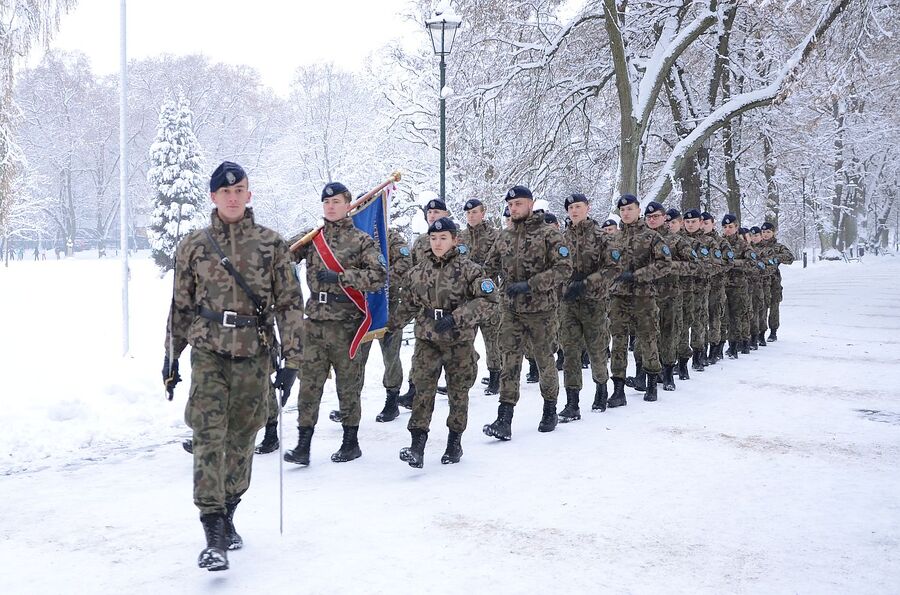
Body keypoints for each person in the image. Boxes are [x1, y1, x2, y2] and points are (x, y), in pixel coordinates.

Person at [162, 161, 304, 571]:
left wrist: (292, 359)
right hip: (208, 352)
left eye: (239, 189)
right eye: (225, 191)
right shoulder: (194, 245)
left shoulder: (271, 244)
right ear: (212, 196)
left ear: (248, 194)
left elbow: (290, 304)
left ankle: (228, 514)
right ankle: (213, 534)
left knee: (242, 440)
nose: (232, 196)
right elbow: (180, 307)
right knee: (208, 437)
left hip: (253, 355)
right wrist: (171, 357)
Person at [283, 182, 386, 466]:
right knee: (309, 386)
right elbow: (283, 254)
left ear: (348, 204)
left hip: (346, 323)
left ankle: (350, 443)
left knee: (347, 386)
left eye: (336, 201)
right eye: (326, 202)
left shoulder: (361, 240)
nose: (330, 206)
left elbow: (379, 276)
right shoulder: (312, 237)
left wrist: (342, 278)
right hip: (314, 322)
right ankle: (303, 445)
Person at [388, 217, 497, 466]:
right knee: (422, 392)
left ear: (454, 240)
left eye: (443, 238)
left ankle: (454, 443)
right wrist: (390, 325)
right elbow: (410, 304)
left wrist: (457, 317)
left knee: (458, 393)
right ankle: (417, 446)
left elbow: (490, 301)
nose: (437, 243)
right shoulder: (419, 272)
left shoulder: (470, 270)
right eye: (434, 238)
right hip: (428, 340)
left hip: (458, 342)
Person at [482, 185, 572, 440]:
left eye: (518, 204)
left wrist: (531, 285)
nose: (513, 209)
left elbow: (564, 269)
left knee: (544, 360)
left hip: (541, 311)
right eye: (510, 205)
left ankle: (550, 408)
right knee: (509, 361)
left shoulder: (548, 235)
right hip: (511, 311)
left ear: (530, 204)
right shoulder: (504, 236)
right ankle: (504, 418)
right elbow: (488, 269)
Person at [606, 195, 672, 406]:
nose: (625, 213)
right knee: (618, 341)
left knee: (647, 339)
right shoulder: (614, 239)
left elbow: (664, 264)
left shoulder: (651, 237)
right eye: (622, 210)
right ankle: (618, 388)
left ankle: (652, 382)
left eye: (629, 209)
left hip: (644, 296)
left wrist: (637, 275)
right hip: (618, 297)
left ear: (638, 210)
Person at [558, 193, 615, 418]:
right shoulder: (561, 238)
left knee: (596, 349)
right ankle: (572, 402)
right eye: (570, 207)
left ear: (587, 208)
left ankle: (601, 388)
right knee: (570, 351)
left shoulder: (602, 236)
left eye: (578, 206)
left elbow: (613, 268)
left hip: (594, 302)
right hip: (568, 303)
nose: (574, 210)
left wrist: (586, 283)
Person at [457, 198, 502, 396]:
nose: (471, 216)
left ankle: (495, 376)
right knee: (465, 339)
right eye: (468, 213)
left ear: (483, 213)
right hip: (467, 298)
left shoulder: (494, 236)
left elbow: (499, 262)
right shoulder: (460, 237)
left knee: (492, 340)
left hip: (488, 296)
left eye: (475, 212)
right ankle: (465, 376)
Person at [666, 208, 696, 380]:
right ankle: (667, 366)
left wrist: (670, 266)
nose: (670, 226)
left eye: (674, 222)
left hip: (685, 291)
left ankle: (683, 363)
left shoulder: (685, 242)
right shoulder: (661, 239)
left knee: (682, 327)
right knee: (667, 331)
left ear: (681, 223)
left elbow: (697, 265)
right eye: (668, 222)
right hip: (666, 292)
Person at [759, 222, 795, 341]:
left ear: (774, 232)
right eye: (763, 232)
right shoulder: (756, 246)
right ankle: (760, 332)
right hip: (760, 281)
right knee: (761, 306)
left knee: (774, 306)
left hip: (774, 281)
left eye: (768, 232)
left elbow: (790, 257)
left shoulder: (778, 247)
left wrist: (776, 258)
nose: (765, 234)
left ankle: (773, 331)